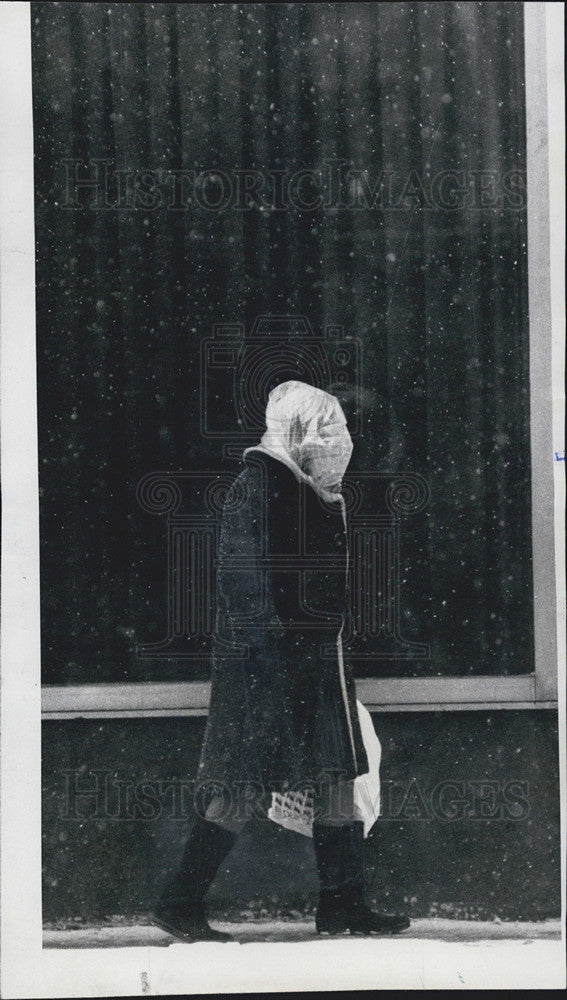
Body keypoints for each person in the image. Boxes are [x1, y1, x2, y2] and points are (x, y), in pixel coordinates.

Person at [151, 380, 410, 941]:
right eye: (325, 432)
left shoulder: (295, 486)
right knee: (247, 778)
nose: (336, 445)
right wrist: (271, 665)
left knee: (338, 770)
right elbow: (247, 588)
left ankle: (342, 906)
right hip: (272, 664)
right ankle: (180, 899)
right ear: (294, 433)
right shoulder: (260, 486)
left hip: (313, 658)